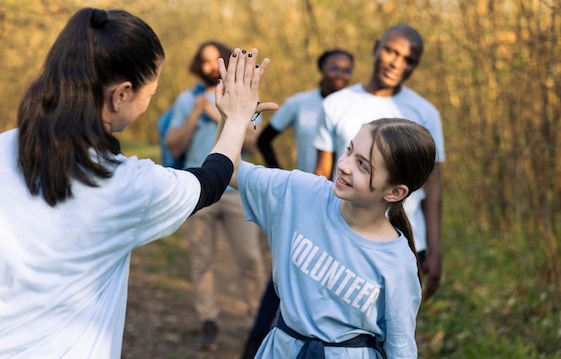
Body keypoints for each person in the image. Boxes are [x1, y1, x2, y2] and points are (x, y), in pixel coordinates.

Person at [0, 7, 276, 359]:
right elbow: (211, 180)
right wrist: (237, 117)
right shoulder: (126, 186)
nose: (149, 101)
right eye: (151, 92)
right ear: (121, 95)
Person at [228, 117, 438, 359]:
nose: (345, 165)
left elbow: (400, 349)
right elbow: (230, 170)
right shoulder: (300, 193)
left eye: (363, 165)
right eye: (349, 150)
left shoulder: (398, 262)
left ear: (394, 192)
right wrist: (233, 114)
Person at [313, 25, 445, 303]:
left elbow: (432, 190)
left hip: (407, 242)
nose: (397, 63)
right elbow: (321, 175)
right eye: (391, 51)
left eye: (408, 59)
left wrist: (434, 248)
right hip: (342, 237)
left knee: (392, 329)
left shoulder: (425, 113)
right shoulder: (336, 104)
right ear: (376, 47)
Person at [241, 48, 354, 358]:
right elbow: (264, 139)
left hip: (348, 208)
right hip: (305, 201)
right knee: (285, 274)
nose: (340, 74)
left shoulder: (355, 106)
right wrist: (280, 174)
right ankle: (256, 343)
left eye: (347, 69)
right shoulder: (301, 104)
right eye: (334, 67)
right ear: (322, 68)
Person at [164, 41, 266, 351]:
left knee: (250, 258)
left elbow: (251, 143)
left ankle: (258, 322)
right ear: (199, 65)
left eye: (215, 60)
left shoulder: (244, 97)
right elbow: (173, 146)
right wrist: (196, 114)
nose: (210, 66)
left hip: (236, 189)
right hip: (198, 187)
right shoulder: (186, 100)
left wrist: (224, 116)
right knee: (202, 258)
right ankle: (208, 320)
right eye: (204, 61)